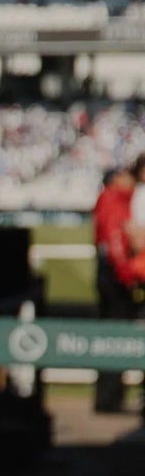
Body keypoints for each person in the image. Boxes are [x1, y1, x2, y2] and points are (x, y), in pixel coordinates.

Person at [94, 162, 140, 413]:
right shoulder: (113, 201)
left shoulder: (114, 200)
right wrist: (128, 275)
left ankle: (110, 396)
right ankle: (109, 398)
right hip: (115, 278)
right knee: (113, 337)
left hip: (112, 275)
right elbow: (115, 242)